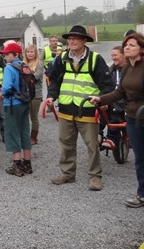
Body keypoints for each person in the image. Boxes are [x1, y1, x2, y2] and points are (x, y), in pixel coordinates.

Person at [89, 32, 144, 217]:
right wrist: (100, 98)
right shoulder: (126, 68)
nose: (127, 47)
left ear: (142, 49)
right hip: (132, 119)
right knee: (140, 159)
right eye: (126, 45)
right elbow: (119, 92)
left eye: (132, 45)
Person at [45, 25, 114, 191]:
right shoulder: (62, 59)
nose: (71, 41)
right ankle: (68, 173)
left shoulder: (95, 59)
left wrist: (101, 99)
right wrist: (51, 96)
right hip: (66, 109)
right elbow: (54, 80)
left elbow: (107, 85)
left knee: (92, 145)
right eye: (69, 38)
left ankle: (95, 176)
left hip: (87, 110)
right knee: (66, 143)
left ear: (84, 40)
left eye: (75, 38)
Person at [0, 43, 32, 176]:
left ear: (16, 54)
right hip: (25, 102)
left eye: (8, 54)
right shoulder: (25, 66)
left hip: (12, 103)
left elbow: (7, 86)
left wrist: (1, 92)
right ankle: (27, 163)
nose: (5, 56)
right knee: (25, 131)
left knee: (13, 132)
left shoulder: (9, 68)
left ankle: (17, 164)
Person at [99, 46, 127, 149]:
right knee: (99, 105)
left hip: (126, 99)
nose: (113, 58)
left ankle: (111, 138)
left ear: (124, 56)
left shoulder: (131, 69)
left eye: (115, 55)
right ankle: (98, 134)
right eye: (111, 55)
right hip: (113, 97)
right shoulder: (110, 70)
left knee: (114, 105)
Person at [23, 44, 45, 145]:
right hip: (25, 93)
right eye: (28, 52)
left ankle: (33, 137)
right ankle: (25, 136)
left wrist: (26, 74)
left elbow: (35, 77)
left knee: (34, 116)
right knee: (24, 116)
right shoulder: (23, 64)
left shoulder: (39, 64)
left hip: (36, 94)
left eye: (32, 52)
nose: (30, 54)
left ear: (35, 53)